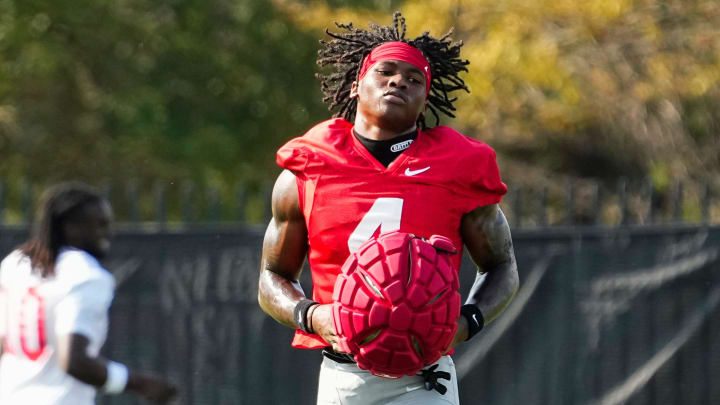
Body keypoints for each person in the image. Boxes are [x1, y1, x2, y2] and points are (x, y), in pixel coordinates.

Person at [258, 12, 519, 405]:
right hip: (342, 376)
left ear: (425, 99)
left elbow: (502, 266)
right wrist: (311, 316)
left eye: (415, 79)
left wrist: (467, 322)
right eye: (386, 72)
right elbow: (272, 276)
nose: (399, 81)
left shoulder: (459, 166)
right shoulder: (309, 167)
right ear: (355, 85)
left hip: (425, 376)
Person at [0, 182, 177, 404]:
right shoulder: (85, 274)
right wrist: (140, 383)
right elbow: (74, 361)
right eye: (100, 224)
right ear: (71, 227)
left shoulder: (15, 264)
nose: (108, 233)